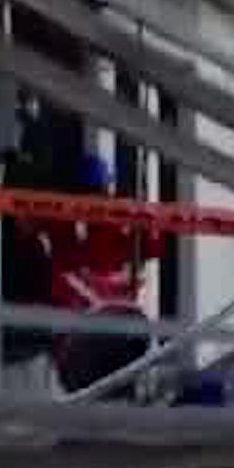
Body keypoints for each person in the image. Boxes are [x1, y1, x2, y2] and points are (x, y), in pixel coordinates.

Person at [44, 153, 161, 394]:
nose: (101, 194)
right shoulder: (69, 220)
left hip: (112, 320)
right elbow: (65, 272)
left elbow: (150, 248)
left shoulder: (117, 215)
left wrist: (144, 218)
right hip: (88, 322)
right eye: (98, 189)